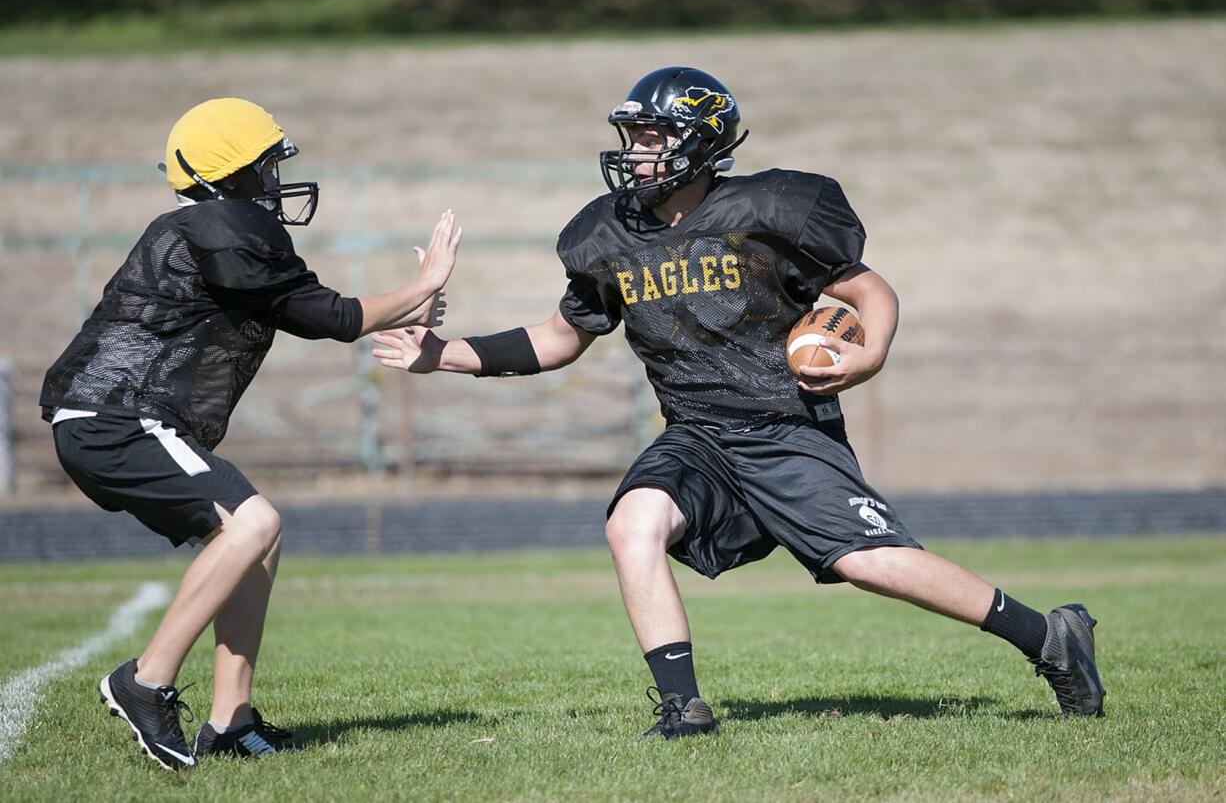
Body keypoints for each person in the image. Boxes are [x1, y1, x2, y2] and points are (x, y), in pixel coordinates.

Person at [371, 67, 1104, 738]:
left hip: (786, 427)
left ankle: (1048, 636)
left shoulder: (768, 210)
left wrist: (869, 352)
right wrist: (444, 355)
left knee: (871, 563)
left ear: (700, 143)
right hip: (696, 435)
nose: (636, 152)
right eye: (632, 137)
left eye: (653, 137)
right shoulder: (608, 233)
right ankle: (682, 705)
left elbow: (866, 288)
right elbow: (562, 335)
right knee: (633, 523)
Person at [41, 98, 462, 769]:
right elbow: (335, 316)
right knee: (252, 521)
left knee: (256, 540)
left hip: (117, 417)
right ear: (233, 174)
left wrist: (414, 297)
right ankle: (145, 679)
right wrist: (424, 282)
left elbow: (314, 310)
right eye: (265, 165)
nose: (275, 179)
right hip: (118, 417)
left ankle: (230, 718)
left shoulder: (212, 231)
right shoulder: (219, 228)